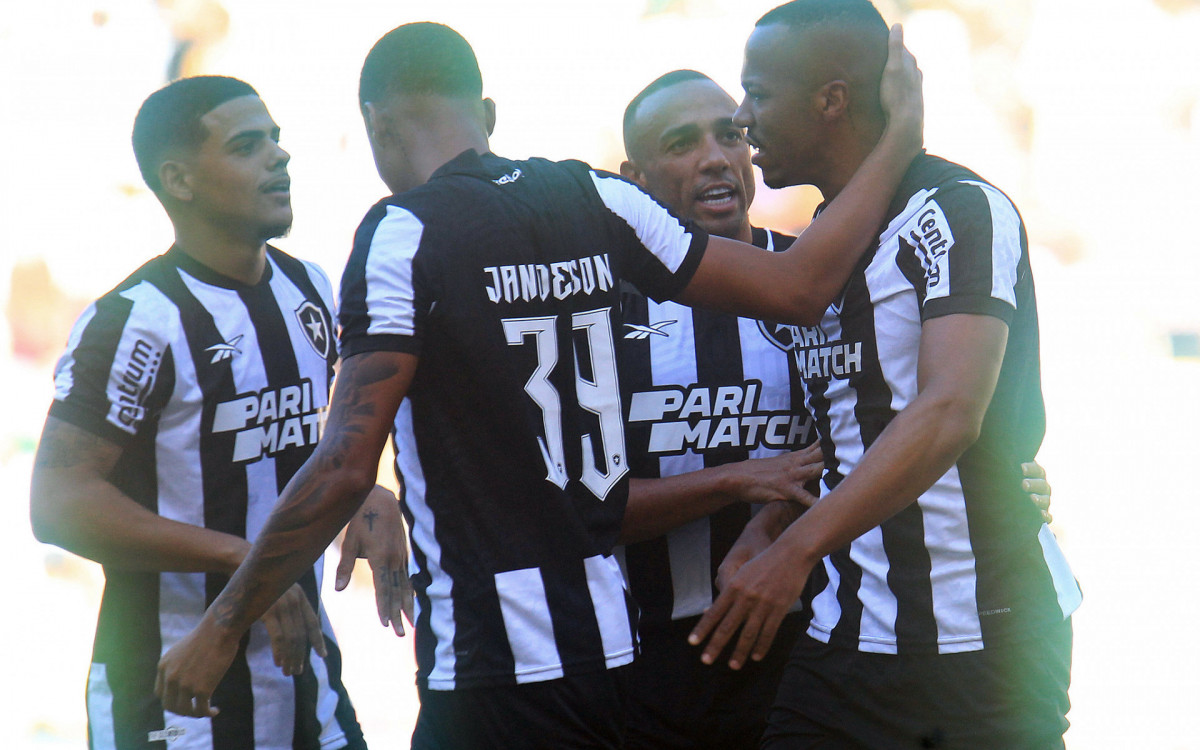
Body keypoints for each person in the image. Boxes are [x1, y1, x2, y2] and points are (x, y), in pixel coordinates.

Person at [154, 22, 923, 749]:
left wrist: (221, 625)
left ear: (379, 127)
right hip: (614, 656)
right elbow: (799, 287)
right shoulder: (594, 196)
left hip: (494, 665)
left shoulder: (403, 232)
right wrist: (899, 141)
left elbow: (346, 462)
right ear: (486, 114)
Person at [614, 68, 1055, 750]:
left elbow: (890, 430)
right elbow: (571, 510)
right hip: (653, 661)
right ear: (634, 178)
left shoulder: (825, 274)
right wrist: (737, 482)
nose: (716, 157)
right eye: (681, 144)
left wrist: (989, 473)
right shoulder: (600, 307)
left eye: (729, 135)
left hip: (815, 636)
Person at [29, 75, 405, 749]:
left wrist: (364, 496)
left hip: (307, 688)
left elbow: (300, 445)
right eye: (246, 145)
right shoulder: (137, 321)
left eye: (276, 140)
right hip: (172, 695)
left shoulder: (308, 289)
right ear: (179, 180)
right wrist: (243, 558)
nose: (279, 156)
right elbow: (58, 502)